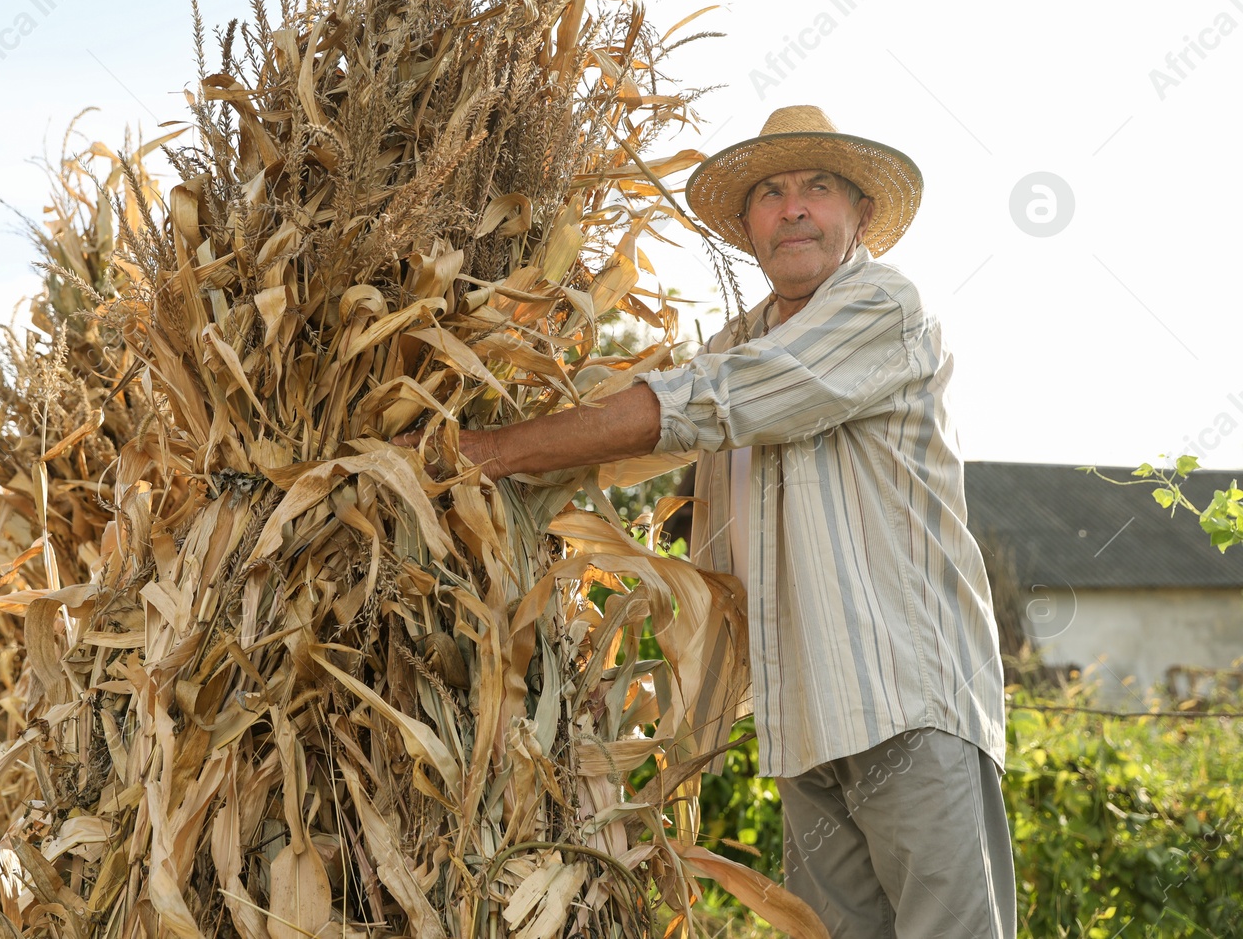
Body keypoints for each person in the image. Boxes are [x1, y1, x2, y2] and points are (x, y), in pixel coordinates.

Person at [420, 106, 1014, 937]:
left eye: (818, 187)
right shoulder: (736, 340)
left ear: (860, 214)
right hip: (806, 722)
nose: (794, 207)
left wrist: (491, 449)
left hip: (907, 704)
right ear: (746, 225)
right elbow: (666, 459)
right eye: (771, 193)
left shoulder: (882, 306)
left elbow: (708, 404)